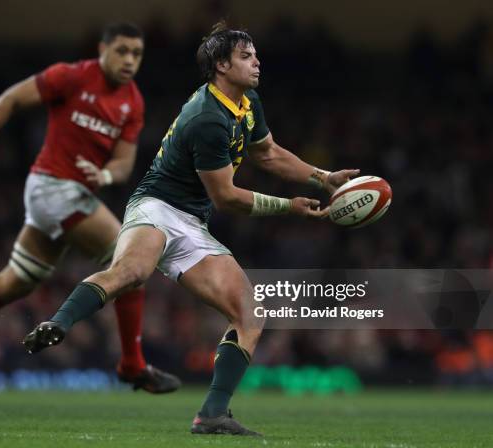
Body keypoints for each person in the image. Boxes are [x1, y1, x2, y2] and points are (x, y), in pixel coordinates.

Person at [23, 21, 358, 435]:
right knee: (133, 272)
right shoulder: (207, 119)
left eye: (254, 54)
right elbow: (228, 198)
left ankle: (212, 414)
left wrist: (322, 177)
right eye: (246, 56)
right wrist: (288, 206)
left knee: (250, 314)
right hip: (156, 208)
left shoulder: (247, 101)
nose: (257, 61)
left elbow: (268, 153)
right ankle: (59, 323)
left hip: (192, 224)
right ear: (221, 65)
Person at [0, 22, 180, 394]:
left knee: (17, 280)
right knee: (131, 262)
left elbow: (123, 164)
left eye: (137, 53)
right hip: (52, 186)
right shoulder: (70, 76)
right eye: (122, 51)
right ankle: (132, 364)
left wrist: (105, 175)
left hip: (74, 194)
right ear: (103, 49)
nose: (129, 60)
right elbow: (10, 100)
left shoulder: (133, 102)